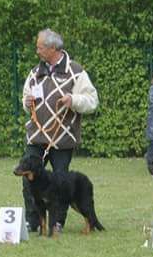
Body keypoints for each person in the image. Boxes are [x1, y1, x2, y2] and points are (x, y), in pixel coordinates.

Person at [22, 29, 99, 233]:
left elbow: (92, 101)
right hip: (36, 137)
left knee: (60, 182)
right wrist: (26, 101)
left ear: (53, 48)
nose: (37, 51)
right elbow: (25, 99)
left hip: (62, 138)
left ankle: (57, 223)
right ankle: (33, 221)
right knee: (28, 180)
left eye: (40, 47)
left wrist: (73, 100)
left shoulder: (76, 71)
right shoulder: (34, 72)